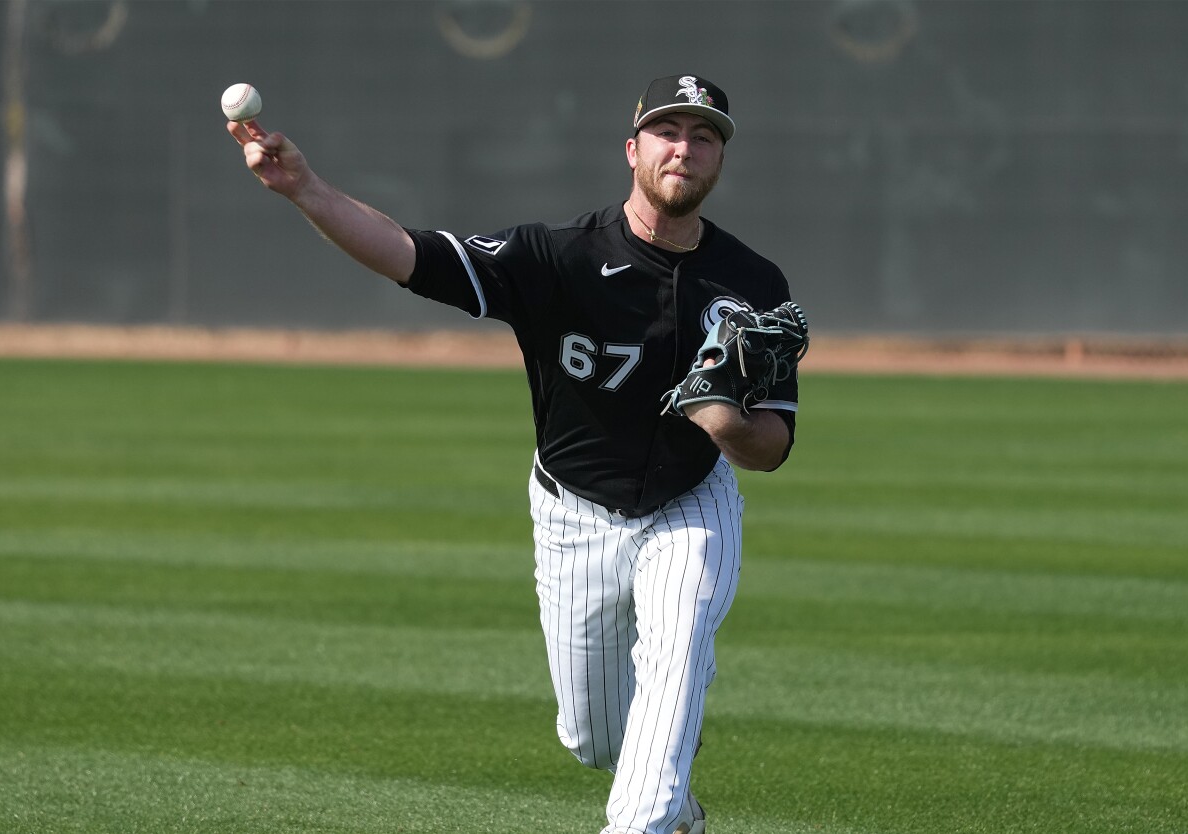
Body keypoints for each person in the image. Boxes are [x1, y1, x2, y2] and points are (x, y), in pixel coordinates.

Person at [228, 73, 800, 834]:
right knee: (595, 738)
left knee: (677, 649)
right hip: (572, 515)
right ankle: (676, 799)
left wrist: (724, 421)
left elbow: (769, 449)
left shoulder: (753, 285)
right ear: (633, 150)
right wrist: (306, 189)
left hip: (689, 505)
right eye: (668, 131)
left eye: (703, 136)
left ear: (718, 161)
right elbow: (410, 255)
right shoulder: (554, 255)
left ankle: (644, 819)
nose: (683, 148)